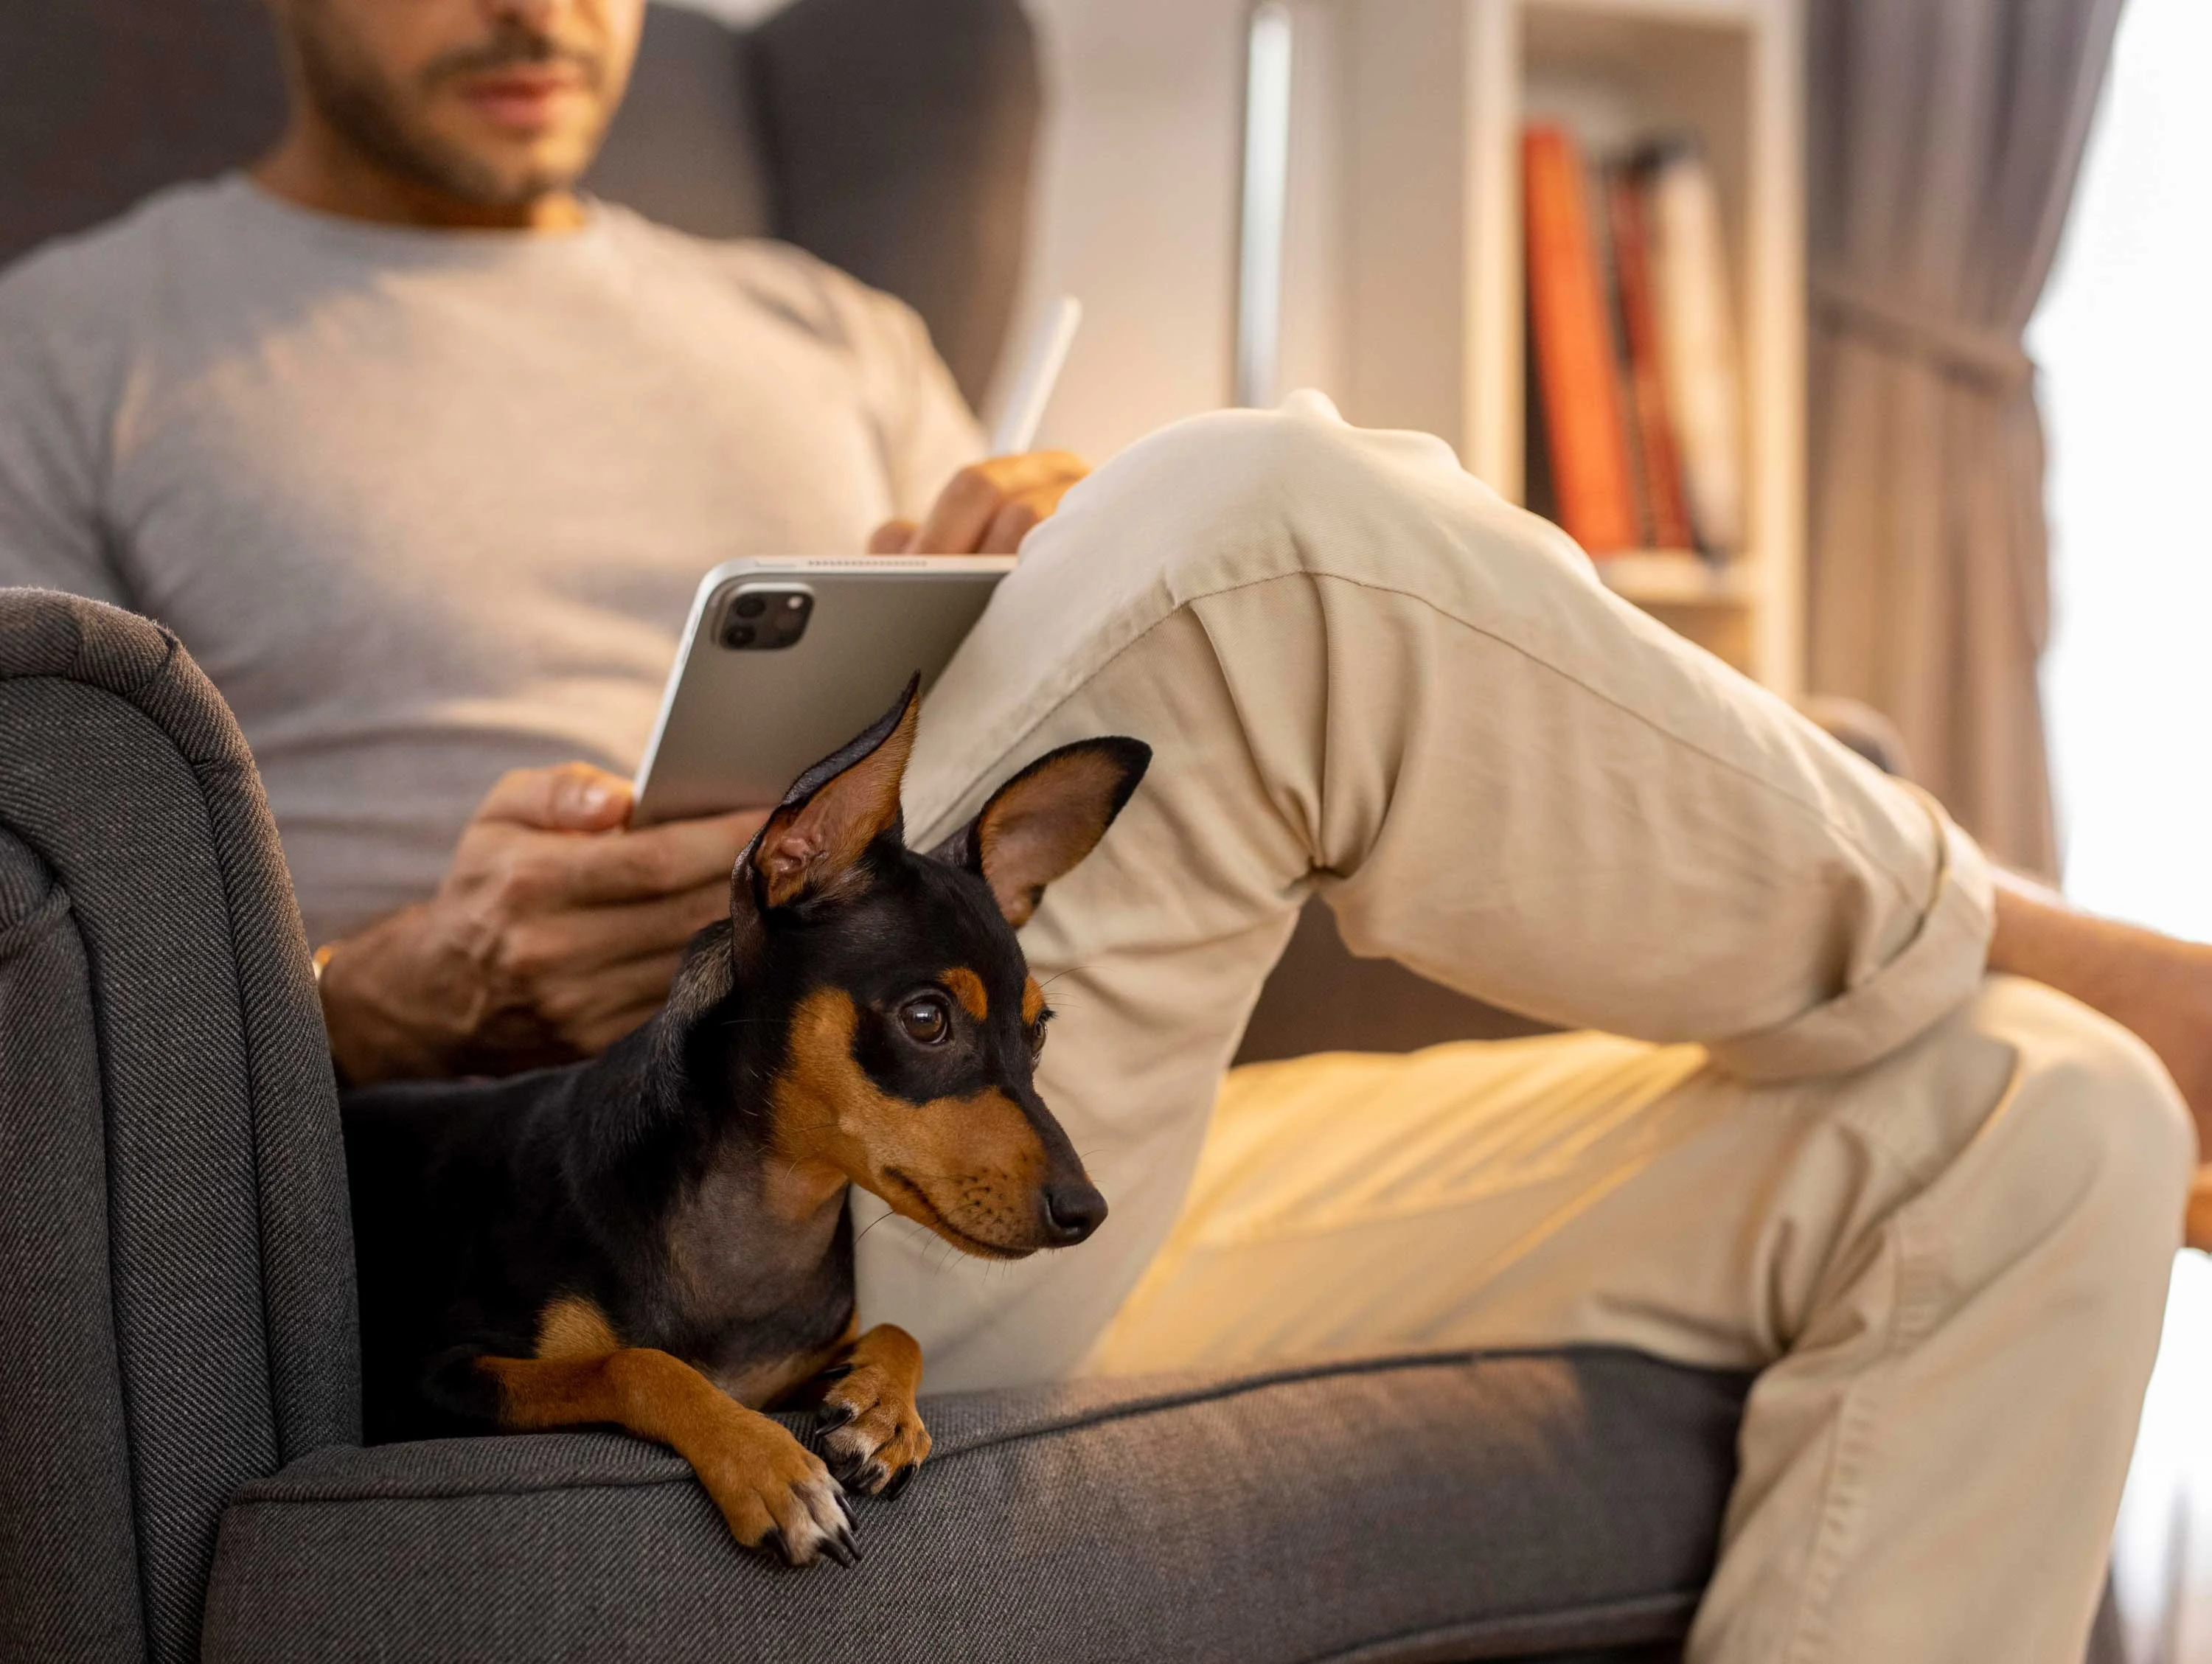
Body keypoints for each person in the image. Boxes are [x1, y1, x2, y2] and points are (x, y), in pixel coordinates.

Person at [0, 0, 2203, 1657]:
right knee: (1260, 531)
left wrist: (1067, 562)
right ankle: (2006, 917)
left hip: (1017, 1120)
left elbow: (1038, 749)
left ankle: (2039, 990)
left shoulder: (821, 323)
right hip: (639, 1200)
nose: (538, 5)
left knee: (2042, 1120)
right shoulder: (77, 347)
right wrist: (374, 999)